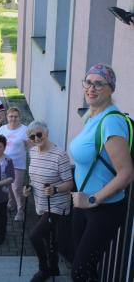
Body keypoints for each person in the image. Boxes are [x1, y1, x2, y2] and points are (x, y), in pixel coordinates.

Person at [69, 64, 134, 282]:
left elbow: (126, 174)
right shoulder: (91, 117)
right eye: (88, 82)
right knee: (85, 269)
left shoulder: (111, 121)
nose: (91, 88)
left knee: (78, 272)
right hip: (83, 203)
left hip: (103, 208)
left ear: (111, 89)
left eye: (99, 83)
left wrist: (93, 199)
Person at [23, 120, 73, 282]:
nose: (36, 138)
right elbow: (34, 178)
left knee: (35, 236)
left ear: (46, 133)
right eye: (32, 137)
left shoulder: (60, 155)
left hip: (56, 204)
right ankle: (54, 268)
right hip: (40, 202)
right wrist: (28, 187)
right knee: (47, 237)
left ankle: (44, 270)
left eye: (39, 134)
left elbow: (69, 183)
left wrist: (56, 189)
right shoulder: (34, 152)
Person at [0, 107, 33, 221]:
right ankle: (10, 204)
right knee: (6, 186)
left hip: (18, 164)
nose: (13, 119)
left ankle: (21, 210)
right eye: (11, 116)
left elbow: (30, 146)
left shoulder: (24, 130)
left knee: (16, 188)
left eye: (16, 116)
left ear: (19, 117)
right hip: (3, 163)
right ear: (7, 117)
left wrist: (35, 159)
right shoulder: (2, 129)